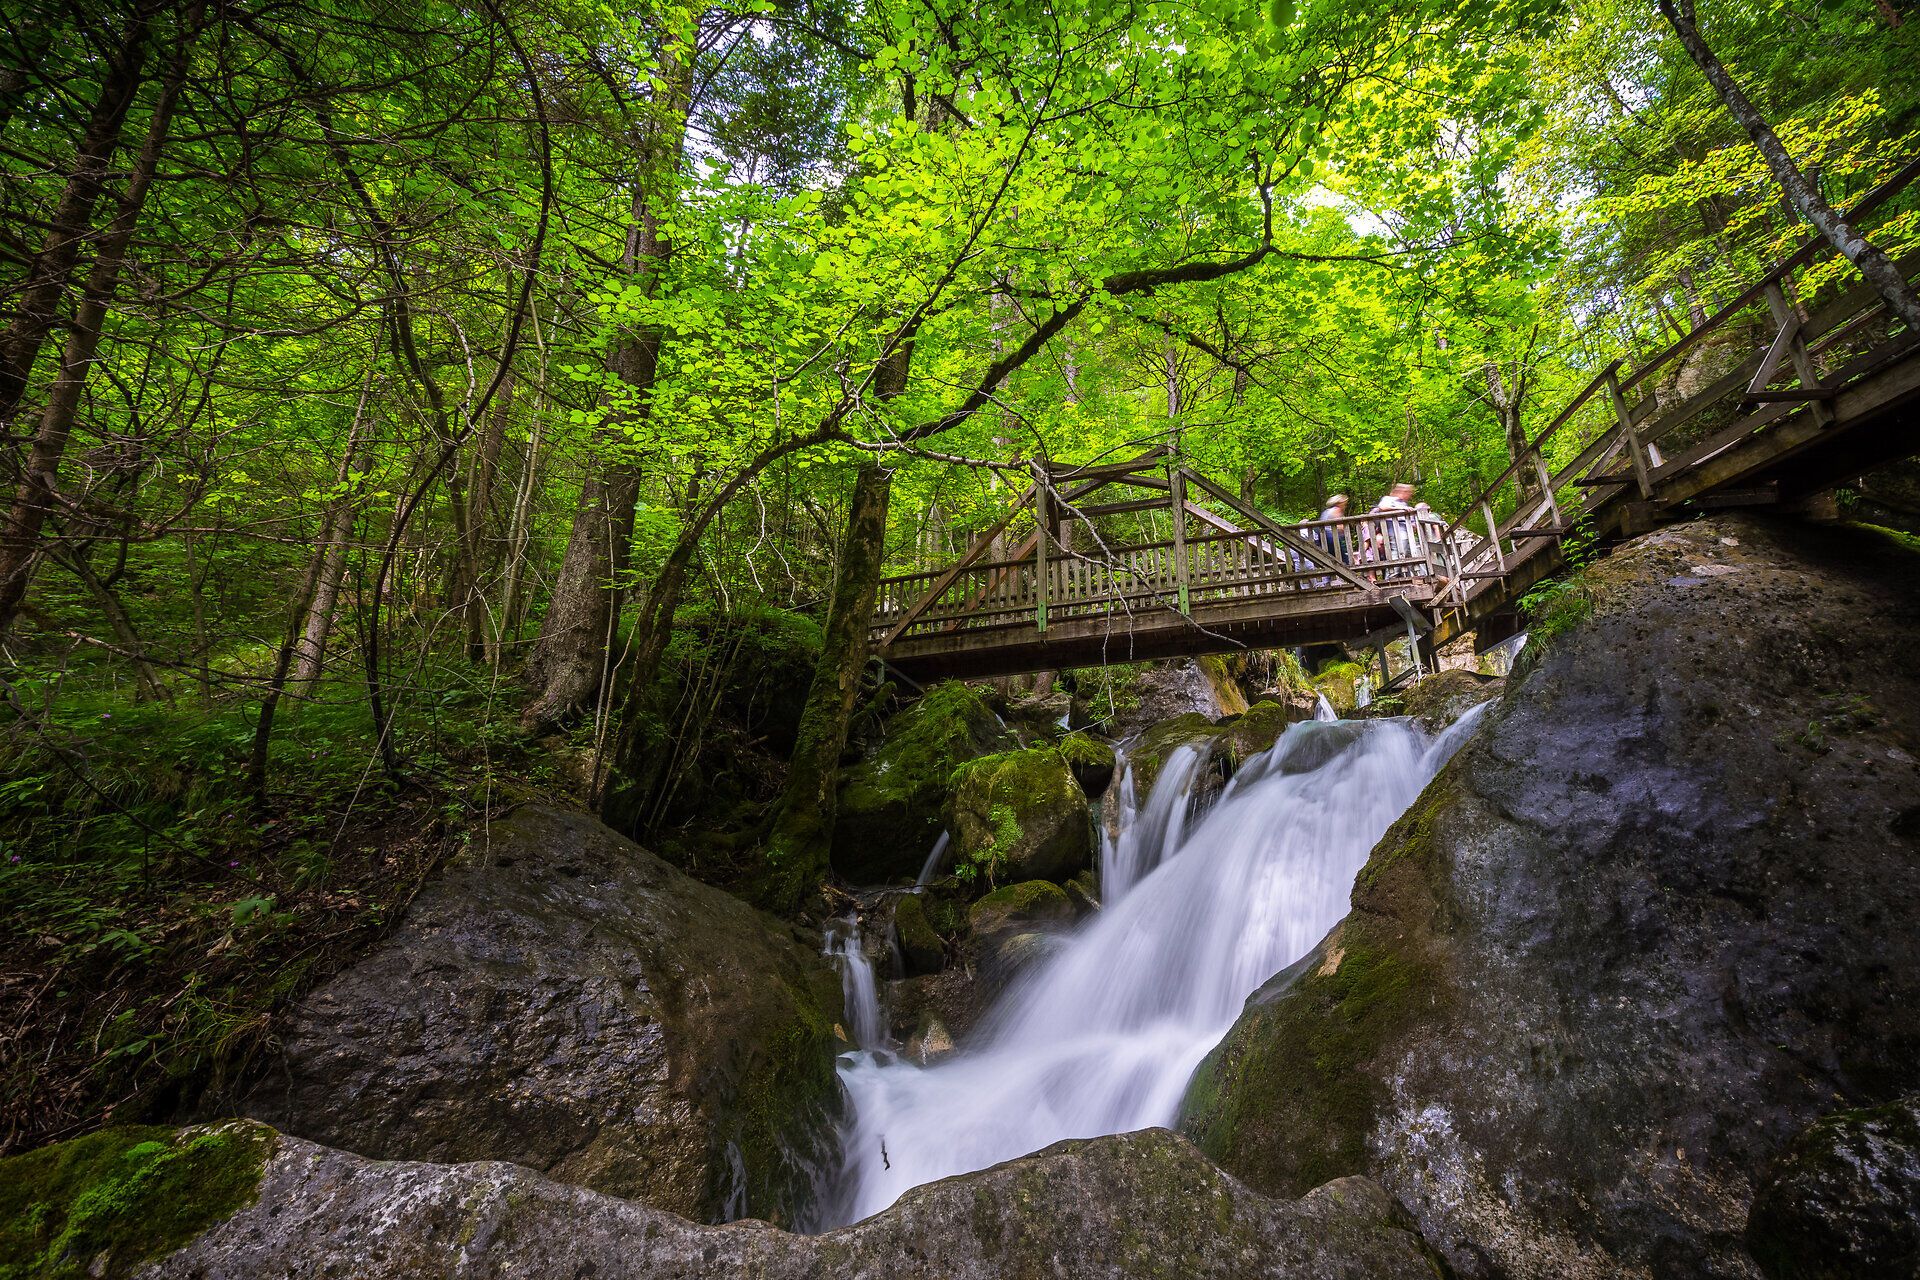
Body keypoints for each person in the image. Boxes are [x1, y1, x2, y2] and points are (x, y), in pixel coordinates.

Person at [1370, 482, 1416, 576]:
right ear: (1401, 491)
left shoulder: (1404, 503)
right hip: (1394, 527)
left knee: (1407, 553)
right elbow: (1382, 507)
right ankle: (1390, 577)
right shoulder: (1389, 499)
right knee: (1398, 551)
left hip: (1405, 529)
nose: (1409, 495)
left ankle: (1407, 576)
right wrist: (1401, 509)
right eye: (1408, 492)